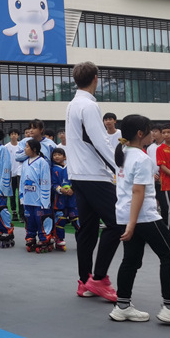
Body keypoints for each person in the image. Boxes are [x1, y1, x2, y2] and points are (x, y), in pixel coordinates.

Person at [108, 115, 170, 326]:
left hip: (126, 214)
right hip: (143, 216)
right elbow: (138, 192)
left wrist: (129, 223)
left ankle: (122, 306)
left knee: (131, 260)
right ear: (141, 134)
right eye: (150, 130)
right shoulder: (141, 159)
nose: (153, 134)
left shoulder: (124, 154)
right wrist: (132, 224)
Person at [64, 61, 119, 302]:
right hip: (94, 175)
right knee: (117, 223)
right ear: (96, 78)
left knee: (87, 230)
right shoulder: (88, 105)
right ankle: (98, 278)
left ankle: (84, 281)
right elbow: (100, 141)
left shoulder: (73, 104)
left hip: (78, 174)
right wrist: (121, 169)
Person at [21, 139, 52, 252]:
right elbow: (22, 181)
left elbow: (46, 181)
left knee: (41, 220)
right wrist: (21, 196)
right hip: (27, 198)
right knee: (29, 220)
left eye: (27, 147)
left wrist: (45, 199)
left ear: (34, 149)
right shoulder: (25, 163)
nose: (25, 149)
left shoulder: (42, 163)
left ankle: (45, 238)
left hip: (39, 200)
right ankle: (30, 236)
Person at [51, 148, 77, 252]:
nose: (56, 156)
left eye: (59, 154)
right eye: (54, 155)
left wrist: (73, 189)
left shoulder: (71, 167)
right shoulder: (53, 169)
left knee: (77, 221)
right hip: (59, 200)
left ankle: (81, 241)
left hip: (72, 200)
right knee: (60, 221)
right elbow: (52, 184)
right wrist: (60, 189)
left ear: (65, 157)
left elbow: (76, 180)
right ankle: (59, 241)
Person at [5, 129, 22, 220]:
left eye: (15, 134)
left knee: (20, 194)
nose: (14, 136)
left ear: (18, 135)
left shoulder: (21, 146)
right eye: (12, 134)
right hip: (10, 174)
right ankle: (14, 212)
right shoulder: (6, 147)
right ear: (9, 136)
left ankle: (21, 213)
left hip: (19, 173)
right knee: (11, 194)